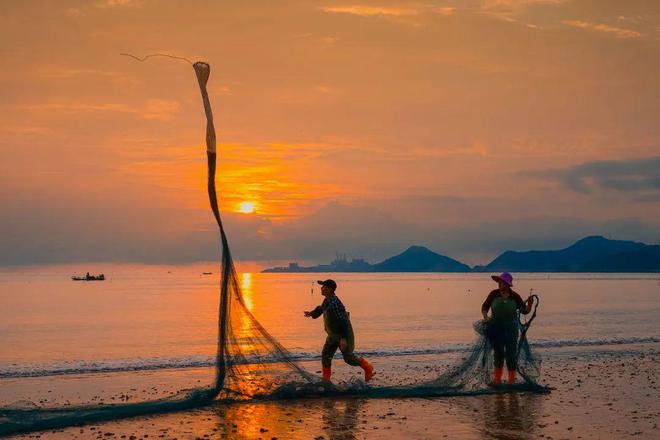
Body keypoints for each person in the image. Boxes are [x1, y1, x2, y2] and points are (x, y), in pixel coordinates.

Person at [304, 279, 374, 382]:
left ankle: (367, 366)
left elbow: (343, 321)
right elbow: (321, 309)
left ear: (330, 289)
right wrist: (311, 313)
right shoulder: (327, 300)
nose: (321, 288)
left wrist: (343, 338)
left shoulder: (334, 302)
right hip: (332, 335)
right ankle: (326, 381)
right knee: (326, 356)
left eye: (323, 287)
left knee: (348, 358)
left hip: (344, 333)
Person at [481, 272, 533, 385]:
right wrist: (485, 317)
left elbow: (524, 311)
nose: (499, 284)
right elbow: (484, 307)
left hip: (511, 329)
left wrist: (529, 305)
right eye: (499, 282)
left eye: (502, 282)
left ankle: (511, 381)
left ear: (507, 284)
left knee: (510, 355)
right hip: (496, 328)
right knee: (498, 354)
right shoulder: (494, 294)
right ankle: (497, 380)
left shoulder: (515, 296)